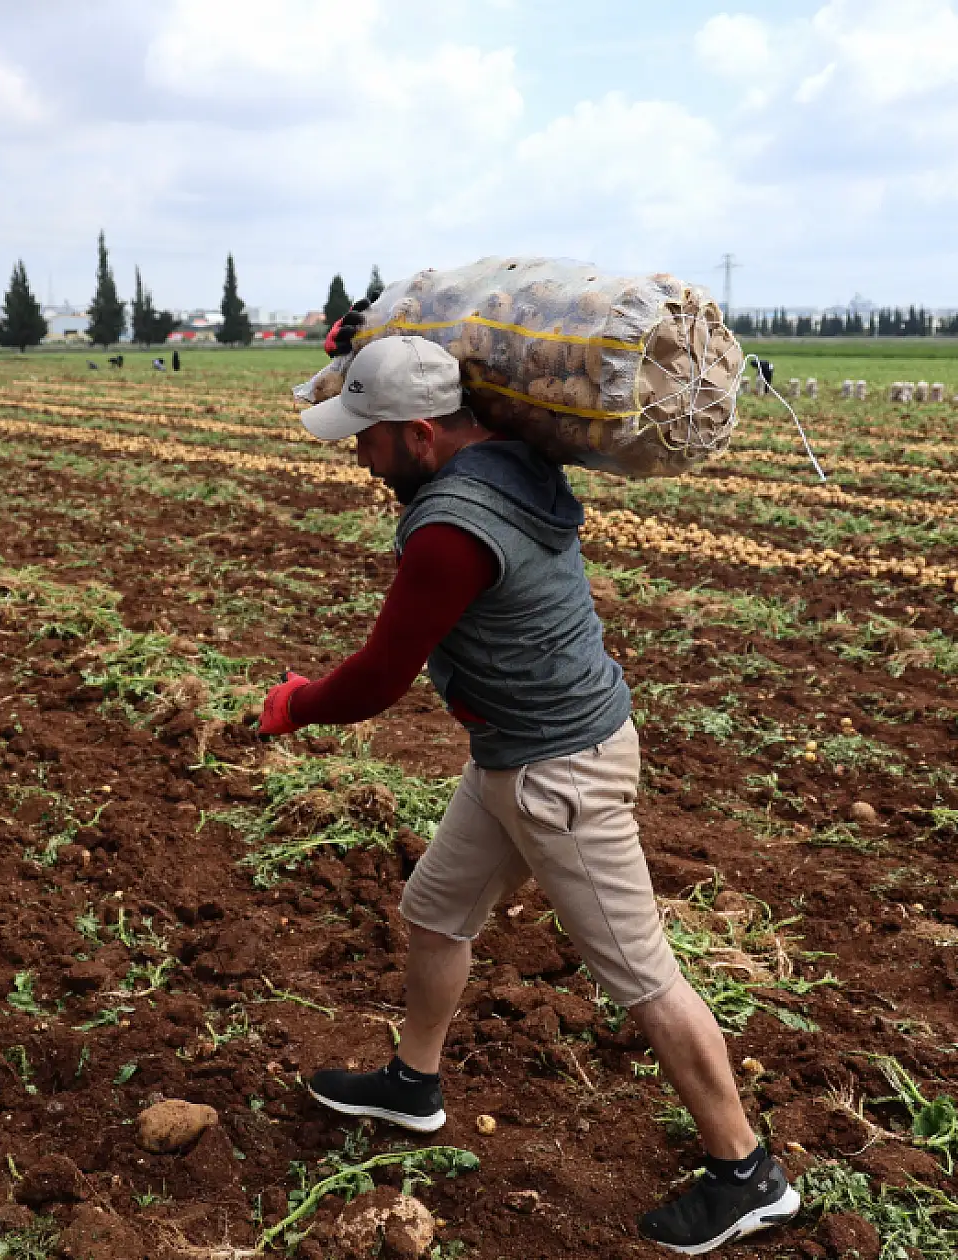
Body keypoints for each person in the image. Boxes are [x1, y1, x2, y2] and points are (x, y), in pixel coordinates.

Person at [254, 331, 799, 1253]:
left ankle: (748, 1174)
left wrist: (296, 706)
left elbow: (382, 675)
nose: (357, 454)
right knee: (434, 911)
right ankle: (413, 1086)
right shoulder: (508, 459)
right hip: (513, 756)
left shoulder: (448, 533)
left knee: (641, 973)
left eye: (368, 437)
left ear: (422, 434)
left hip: (560, 772)